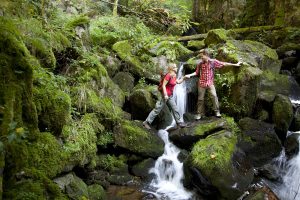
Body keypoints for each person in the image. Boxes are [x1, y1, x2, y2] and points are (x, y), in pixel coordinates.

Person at [185, 49, 242, 120]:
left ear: (206, 55)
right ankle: (199, 114)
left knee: (214, 96)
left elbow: (224, 64)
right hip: (201, 84)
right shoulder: (200, 64)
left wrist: (235, 64)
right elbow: (196, 72)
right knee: (200, 99)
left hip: (210, 83)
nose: (201, 58)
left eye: (202, 56)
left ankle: (217, 112)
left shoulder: (213, 62)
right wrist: (190, 75)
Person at [143, 63, 187, 130]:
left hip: (170, 96)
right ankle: (146, 122)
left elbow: (178, 82)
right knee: (157, 109)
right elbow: (163, 85)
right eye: (175, 67)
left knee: (175, 108)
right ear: (172, 69)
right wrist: (165, 95)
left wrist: (184, 78)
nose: (177, 68)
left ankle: (179, 123)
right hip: (164, 96)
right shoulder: (168, 76)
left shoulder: (174, 75)